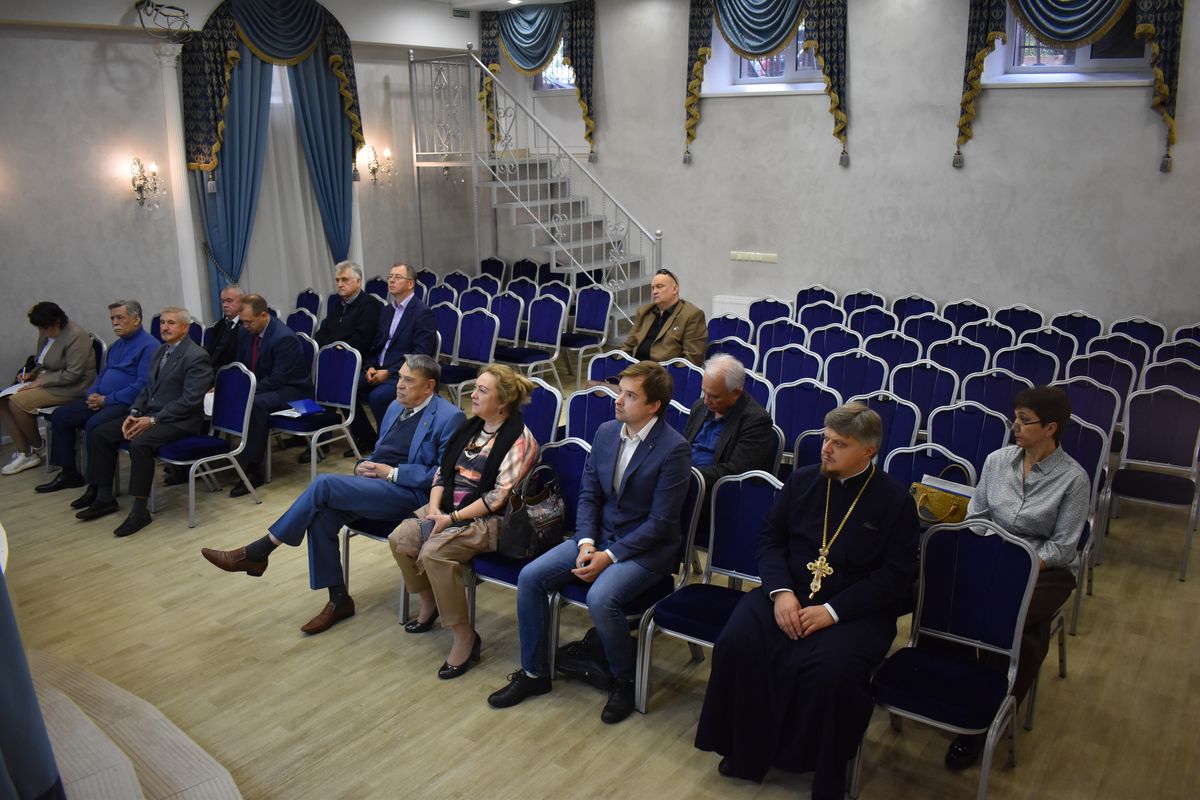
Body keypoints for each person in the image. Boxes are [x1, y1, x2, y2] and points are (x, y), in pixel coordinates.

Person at [694, 403, 920, 799]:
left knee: (829, 673)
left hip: (855, 610)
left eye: (839, 444)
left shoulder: (895, 501)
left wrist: (833, 611)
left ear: (868, 450)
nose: (825, 449)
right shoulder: (801, 481)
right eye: (826, 439)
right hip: (788, 592)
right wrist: (781, 593)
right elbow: (770, 541)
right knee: (738, 643)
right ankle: (745, 750)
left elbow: (895, 577)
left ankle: (814, 764)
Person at [487, 360, 692, 724]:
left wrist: (608, 556)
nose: (618, 400)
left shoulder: (673, 448)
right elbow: (589, 496)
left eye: (630, 396)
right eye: (620, 391)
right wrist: (585, 543)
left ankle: (624, 678)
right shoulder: (607, 432)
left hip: (646, 551)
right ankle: (535, 673)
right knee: (531, 577)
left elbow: (661, 524)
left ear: (653, 405)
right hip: (598, 538)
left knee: (601, 598)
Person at [199, 355, 464, 634]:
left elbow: (442, 474)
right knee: (322, 516)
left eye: (409, 380)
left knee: (324, 484)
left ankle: (259, 550)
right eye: (399, 377)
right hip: (379, 486)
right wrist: (362, 465)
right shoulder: (395, 406)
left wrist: (392, 473)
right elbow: (380, 452)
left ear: (429, 386)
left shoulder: (449, 417)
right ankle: (339, 599)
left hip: (412, 495)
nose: (399, 385)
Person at [942, 385, 1090, 771]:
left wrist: (1017, 565)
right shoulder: (997, 461)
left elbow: (1063, 547)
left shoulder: (1073, 479)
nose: (1015, 426)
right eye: (1016, 418)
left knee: (1012, 623)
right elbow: (976, 516)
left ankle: (987, 718)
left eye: (1025, 421)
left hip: (1045, 568)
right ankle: (957, 687)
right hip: (992, 554)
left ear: (1051, 428)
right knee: (948, 599)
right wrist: (984, 556)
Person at [388, 363, 538, 679]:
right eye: (475, 387)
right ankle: (429, 603)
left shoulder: (520, 440)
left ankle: (464, 635)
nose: (473, 394)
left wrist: (451, 518)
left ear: (502, 402)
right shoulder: (471, 427)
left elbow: (497, 498)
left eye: (482, 390)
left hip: (490, 521)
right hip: (446, 509)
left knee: (434, 553)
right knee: (401, 538)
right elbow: (442, 473)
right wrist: (434, 510)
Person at [73, 307, 212, 537]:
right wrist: (135, 411)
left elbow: (189, 401)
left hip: (181, 420)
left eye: (171, 323)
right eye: (163, 323)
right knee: (101, 432)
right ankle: (104, 496)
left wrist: (153, 420)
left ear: (185, 328)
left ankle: (139, 511)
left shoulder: (196, 356)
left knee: (140, 444)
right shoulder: (160, 351)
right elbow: (147, 388)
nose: (165, 327)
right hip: (151, 414)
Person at [34, 301, 158, 493]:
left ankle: (97, 486)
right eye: (112, 318)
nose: (115, 323)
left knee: (95, 426)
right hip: (102, 399)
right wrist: (92, 393)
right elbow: (102, 374)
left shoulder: (150, 346)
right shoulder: (117, 346)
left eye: (120, 318)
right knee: (61, 415)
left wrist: (106, 400)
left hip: (125, 403)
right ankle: (69, 474)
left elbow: (142, 386)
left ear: (136, 320)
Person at [348, 263, 437, 453]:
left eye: (397, 277)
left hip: (403, 373)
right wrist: (370, 366)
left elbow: (420, 354)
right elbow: (376, 344)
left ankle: (386, 444)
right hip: (379, 369)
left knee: (378, 397)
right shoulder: (387, 310)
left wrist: (389, 372)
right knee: (347, 388)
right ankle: (367, 438)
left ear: (410, 283)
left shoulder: (422, 312)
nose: (391, 281)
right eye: (390, 277)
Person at [0, 302, 97, 475]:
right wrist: (31, 375)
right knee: (2, 400)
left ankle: (38, 447)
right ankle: (25, 451)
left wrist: (40, 382)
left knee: (16, 403)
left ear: (57, 322)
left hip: (72, 387)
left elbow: (73, 374)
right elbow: (41, 361)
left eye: (44, 328)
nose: (42, 332)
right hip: (50, 380)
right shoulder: (46, 332)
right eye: (39, 328)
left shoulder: (76, 337)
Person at [233, 293, 313, 494]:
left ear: (263, 315)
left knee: (254, 404)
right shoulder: (245, 333)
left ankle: (253, 470)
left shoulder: (284, 338)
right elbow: (242, 366)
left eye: (249, 322)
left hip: (293, 392)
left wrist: (246, 391)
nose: (245, 326)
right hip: (264, 387)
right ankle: (226, 456)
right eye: (243, 322)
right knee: (228, 398)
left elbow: (278, 379)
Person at [682, 354, 776, 488]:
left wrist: (685, 474)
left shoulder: (756, 421)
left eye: (714, 396)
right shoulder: (699, 406)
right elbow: (682, 447)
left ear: (736, 393)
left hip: (712, 489)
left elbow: (736, 472)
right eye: (704, 392)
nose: (706, 401)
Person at [620, 268, 707, 365]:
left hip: (664, 372)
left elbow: (692, 359)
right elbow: (627, 347)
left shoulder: (692, 315)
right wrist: (618, 366)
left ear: (675, 289)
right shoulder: (644, 312)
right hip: (636, 368)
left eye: (659, 287)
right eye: (653, 288)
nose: (654, 292)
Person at [314, 260, 380, 356]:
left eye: (344, 280)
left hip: (354, 360)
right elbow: (321, 333)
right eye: (337, 280)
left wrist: (337, 349)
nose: (339, 285)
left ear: (358, 282)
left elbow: (362, 340)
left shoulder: (370, 304)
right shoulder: (338, 305)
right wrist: (331, 348)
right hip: (332, 356)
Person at [205, 284, 244, 372]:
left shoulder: (246, 325)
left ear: (242, 302)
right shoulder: (220, 324)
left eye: (229, 301)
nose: (225, 305)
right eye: (223, 301)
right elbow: (213, 350)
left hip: (230, 372)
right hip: (211, 369)